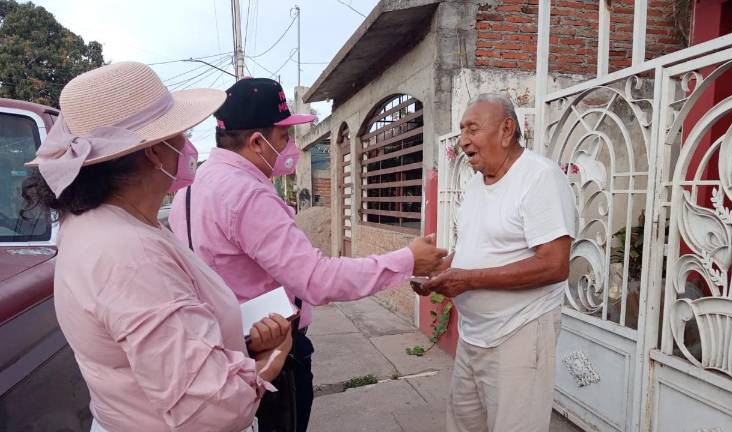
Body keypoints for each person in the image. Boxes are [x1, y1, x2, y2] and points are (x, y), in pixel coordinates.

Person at [22, 62, 293, 432]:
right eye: (179, 133)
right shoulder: (129, 254)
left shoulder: (101, 224)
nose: (188, 145)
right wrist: (270, 359)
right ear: (153, 152)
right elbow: (214, 407)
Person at [169, 77, 447, 432]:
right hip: (268, 351)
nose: (291, 146)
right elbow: (317, 279)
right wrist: (407, 260)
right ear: (257, 142)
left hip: (223, 346)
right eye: (284, 136)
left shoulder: (192, 189)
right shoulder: (247, 194)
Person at [417, 94, 577, 432]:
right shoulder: (477, 183)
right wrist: (441, 270)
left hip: (519, 334)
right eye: (462, 130)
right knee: (463, 425)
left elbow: (555, 265)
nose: (463, 140)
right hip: (473, 336)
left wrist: (469, 279)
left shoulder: (539, 177)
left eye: (472, 129)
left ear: (506, 130)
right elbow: (477, 246)